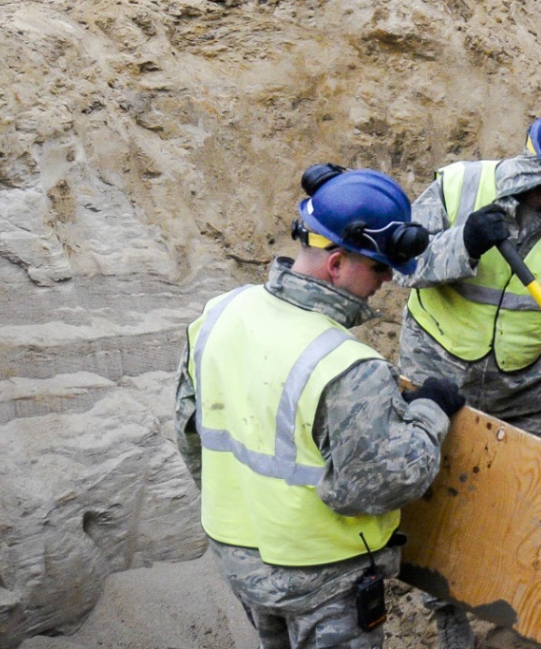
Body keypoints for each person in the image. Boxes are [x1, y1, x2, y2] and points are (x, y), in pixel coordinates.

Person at [175, 165, 463, 649]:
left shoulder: (221, 313)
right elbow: (375, 486)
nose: (386, 281)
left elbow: (190, 436)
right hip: (322, 580)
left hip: (239, 559)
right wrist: (430, 414)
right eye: (379, 268)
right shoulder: (349, 367)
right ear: (337, 263)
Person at [397, 107, 541, 649]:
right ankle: (450, 624)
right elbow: (401, 265)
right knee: (438, 509)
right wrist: (464, 243)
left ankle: (534, 622)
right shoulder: (458, 187)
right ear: (538, 172)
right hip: (438, 382)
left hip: (527, 392)